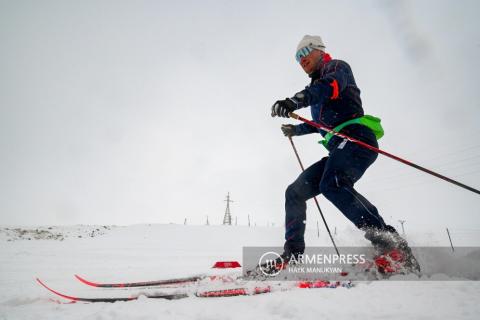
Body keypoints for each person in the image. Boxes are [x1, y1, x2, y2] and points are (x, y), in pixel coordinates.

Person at [271, 35, 418, 270]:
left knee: (333, 184)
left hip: (357, 139)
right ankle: (293, 255)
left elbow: (329, 87)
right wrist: (295, 130)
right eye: (297, 58)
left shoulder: (336, 68)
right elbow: (320, 123)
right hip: (339, 144)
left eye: (304, 52)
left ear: (319, 50)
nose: (301, 60)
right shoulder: (315, 88)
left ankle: (390, 244)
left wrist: (294, 101)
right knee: (295, 192)